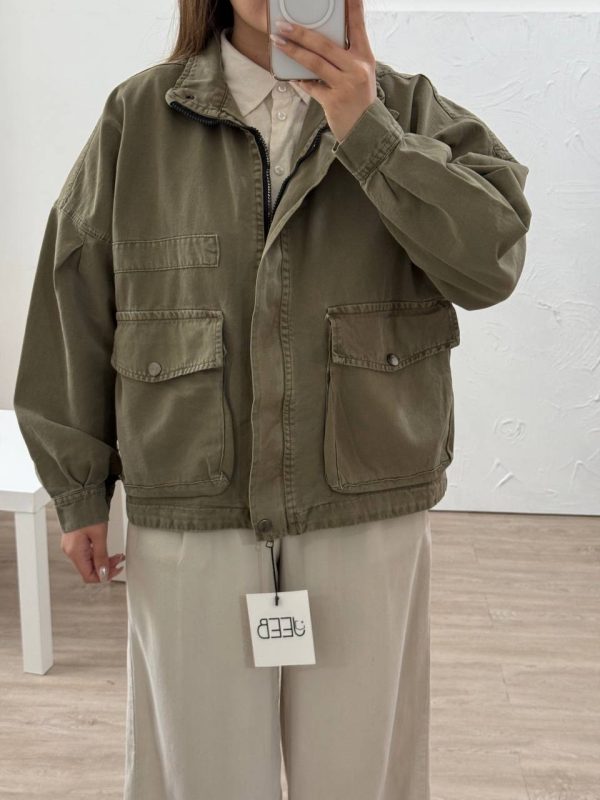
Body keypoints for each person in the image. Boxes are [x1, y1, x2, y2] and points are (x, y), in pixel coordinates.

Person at [13, 0, 532, 797]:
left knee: (360, 774)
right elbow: (74, 298)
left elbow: (491, 263)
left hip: (363, 497)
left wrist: (370, 131)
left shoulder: (407, 108)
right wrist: (79, 487)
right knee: (199, 772)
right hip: (191, 495)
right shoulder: (140, 116)